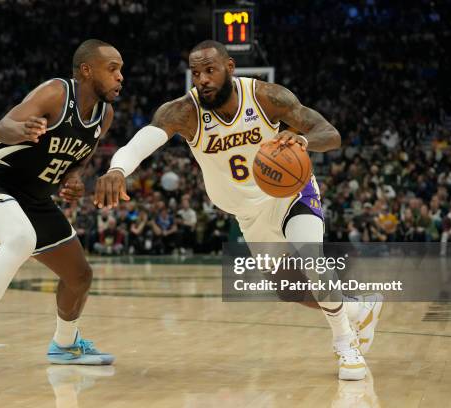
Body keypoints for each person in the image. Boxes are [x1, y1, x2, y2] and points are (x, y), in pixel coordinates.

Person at [94, 40, 382, 381]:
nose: (202, 79)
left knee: (312, 261)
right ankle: (358, 307)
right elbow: (143, 140)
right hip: (248, 214)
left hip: (290, 193)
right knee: (289, 291)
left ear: (230, 67)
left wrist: (303, 142)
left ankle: (346, 345)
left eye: (210, 70)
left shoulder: (266, 97)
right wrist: (117, 170)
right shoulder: (184, 112)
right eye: (196, 72)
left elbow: (329, 133)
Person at [0, 39, 122, 380]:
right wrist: (21, 130)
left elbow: (78, 160)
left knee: (79, 276)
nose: (120, 77)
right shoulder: (55, 92)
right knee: (21, 238)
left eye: (120, 70)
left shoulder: (104, 115)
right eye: (113, 69)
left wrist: (75, 179)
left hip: (35, 197)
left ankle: (65, 346)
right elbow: (0, 128)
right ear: (86, 70)